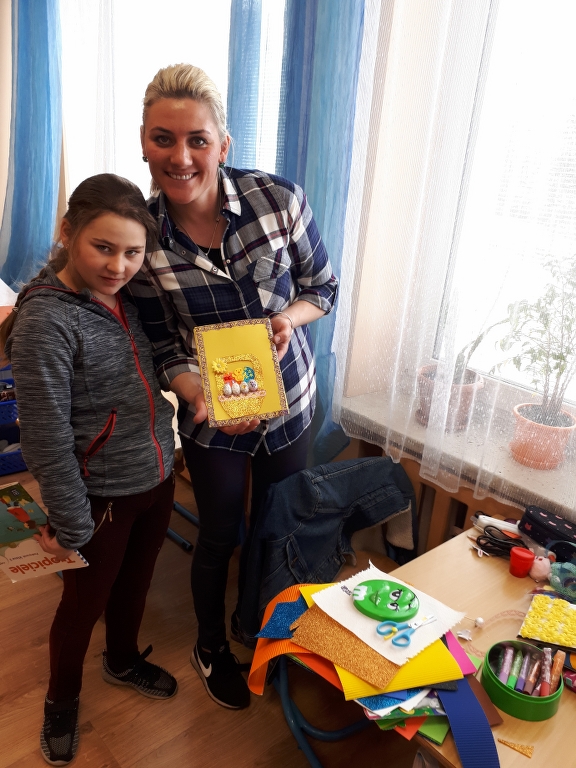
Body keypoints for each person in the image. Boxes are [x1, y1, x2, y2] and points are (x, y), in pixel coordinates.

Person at [128, 63, 338, 711]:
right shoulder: (142, 238)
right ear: (144, 144)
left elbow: (322, 288)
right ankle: (211, 645)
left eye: (198, 140)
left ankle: (261, 628)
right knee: (220, 532)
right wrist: (194, 392)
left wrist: (288, 318)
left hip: (290, 403)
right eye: (164, 139)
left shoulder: (279, 200)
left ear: (223, 145)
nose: (181, 157)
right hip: (209, 414)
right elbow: (160, 341)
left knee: (278, 523)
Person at [1, 174, 178, 766]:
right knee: (82, 605)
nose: (118, 266)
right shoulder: (47, 321)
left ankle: (122, 660)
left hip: (155, 476)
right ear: (67, 232)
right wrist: (73, 523)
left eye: (132, 253)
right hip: (99, 497)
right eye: (103, 248)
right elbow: (45, 436)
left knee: (135, 584)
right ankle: (61, 700)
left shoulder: (128, 298)